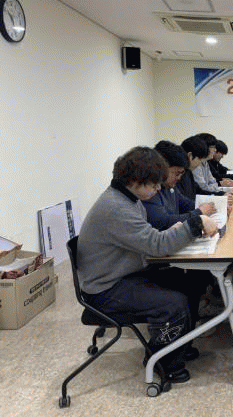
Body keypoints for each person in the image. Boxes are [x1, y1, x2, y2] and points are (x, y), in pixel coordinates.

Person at [77, 146, 218, 383]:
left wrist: (175, 231)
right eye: (153, 185)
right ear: (135, 180)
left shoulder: (127, 199)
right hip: (105, 290)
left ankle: (179, 345)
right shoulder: (117, 208)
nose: (157, 189)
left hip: (123, 275)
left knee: (189, 281)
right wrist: (195, 224)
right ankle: (162, 363)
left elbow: (147, 238)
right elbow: (157, 245)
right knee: (173, 304)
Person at [143, 140, 216, 230]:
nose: (179, 178)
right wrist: (199, 212)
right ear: (161, 167)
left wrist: (212, 207)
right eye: (177, 174)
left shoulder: (169, 186)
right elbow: (164, 221)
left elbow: (185, 203)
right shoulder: (149, 190)